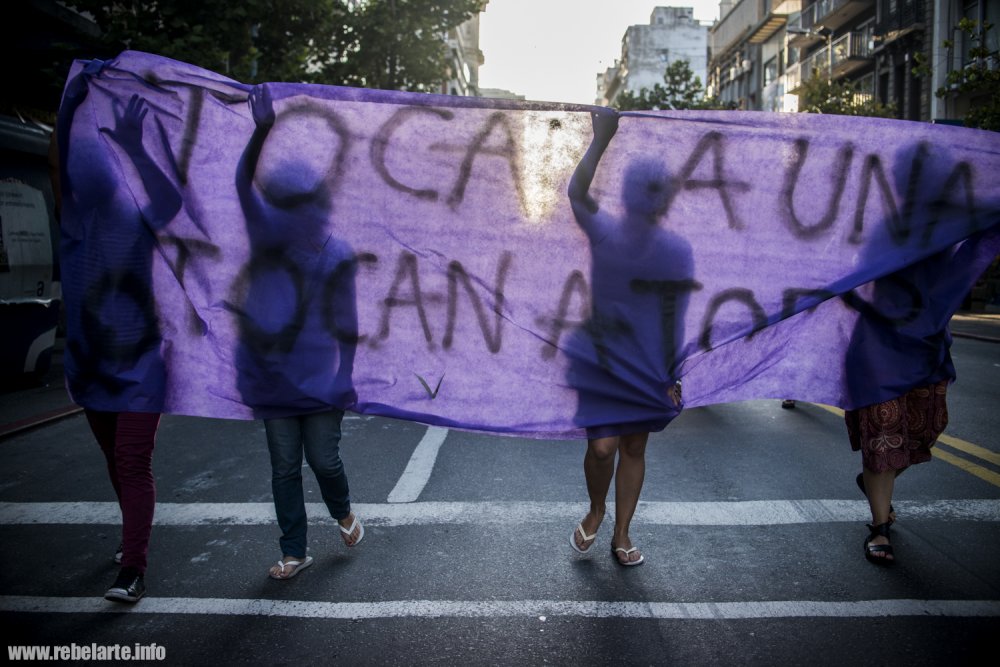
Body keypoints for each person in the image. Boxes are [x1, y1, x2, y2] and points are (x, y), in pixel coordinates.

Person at [52, 67, 183, 602]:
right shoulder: (73, 224)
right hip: (90, 363)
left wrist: (133, 143)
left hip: (141, 363)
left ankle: (133, 568)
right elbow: (58, 161)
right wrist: (71, 103)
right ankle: (131, 539)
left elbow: (170, 201)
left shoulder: (136, 221)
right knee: (115, 460)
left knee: (132, 460)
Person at [234, 87, 364, 579]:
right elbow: (242, 184)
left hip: (321, 381)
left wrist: (345, 376)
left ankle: (343, 511)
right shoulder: (266, 237)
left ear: (319, 205)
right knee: (285, 467)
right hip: (273, 380)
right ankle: (294, 550)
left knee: (324, 460)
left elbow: (348, 323)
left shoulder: (338, 253)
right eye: (284, 203)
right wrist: (262, 131)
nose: (292, 212)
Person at [565, 110, 690, 566]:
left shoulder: (677, 250)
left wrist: (673, 374)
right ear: (627, 193)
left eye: (657, 189)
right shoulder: (605, 231)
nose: (649, 197)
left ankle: (622, 533)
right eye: (643, 188)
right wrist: (601, 139)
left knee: (634, 446)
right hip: (600, 358)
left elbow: (676, 317)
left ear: (665, 198)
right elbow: (575, 193)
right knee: (602, 448)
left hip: (648, 362)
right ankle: (596, 509)